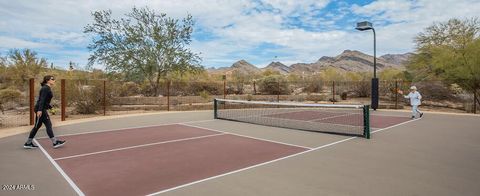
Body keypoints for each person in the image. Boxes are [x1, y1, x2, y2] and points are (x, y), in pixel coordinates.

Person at [23, 75, 66, 149]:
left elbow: (45, 100)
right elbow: (42, 100)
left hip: (42, 109)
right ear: (48, 80)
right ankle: (55, 142)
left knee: (37, 126)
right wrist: (39, 110)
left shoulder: (47, 88)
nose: (54, 80)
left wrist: (50, 107)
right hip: (41, 109)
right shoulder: (45, 88)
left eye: (54, 79)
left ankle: (28, 143)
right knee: (48, 124)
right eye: (52, 79)